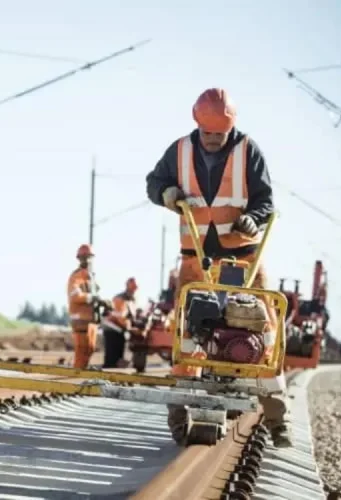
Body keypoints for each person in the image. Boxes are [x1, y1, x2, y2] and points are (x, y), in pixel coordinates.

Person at [145, 87, 292, 448]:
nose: (212, 140)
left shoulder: (248, 152)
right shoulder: (179, 150)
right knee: (189, 332)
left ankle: (277, 418)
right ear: (197, 124)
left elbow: (264, 200)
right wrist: (166, 194)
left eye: (219, 135)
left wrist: (253, 221)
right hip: (195, 258)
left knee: (265, 333)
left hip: (244, 260)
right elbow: (154, 182)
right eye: (207, 133)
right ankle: (180, 413)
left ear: (230, 129)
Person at [66, 244, 105, 369]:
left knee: (90, 348)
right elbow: (75, 296)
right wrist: (92, 298)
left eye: (89, 257)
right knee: (82, 350)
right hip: (80, 320)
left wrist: (102, 302)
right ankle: (76, 375)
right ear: (79, 259)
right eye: (84, 257)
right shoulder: (76, 276)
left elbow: (95, 295)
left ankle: (82, 371)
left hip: (90, 320)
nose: (87, 260)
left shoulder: (91, 277)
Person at [100, 278, 138, 369]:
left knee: (118, 354)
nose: (134, 291)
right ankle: (109, 370)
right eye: (133, 289)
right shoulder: (120, 299)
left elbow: (129, 317)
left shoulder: (130, 300)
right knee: (112, 355)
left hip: (119, 330)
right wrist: (130, 328)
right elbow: (120, 317)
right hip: (112, 329)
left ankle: (114, 369)